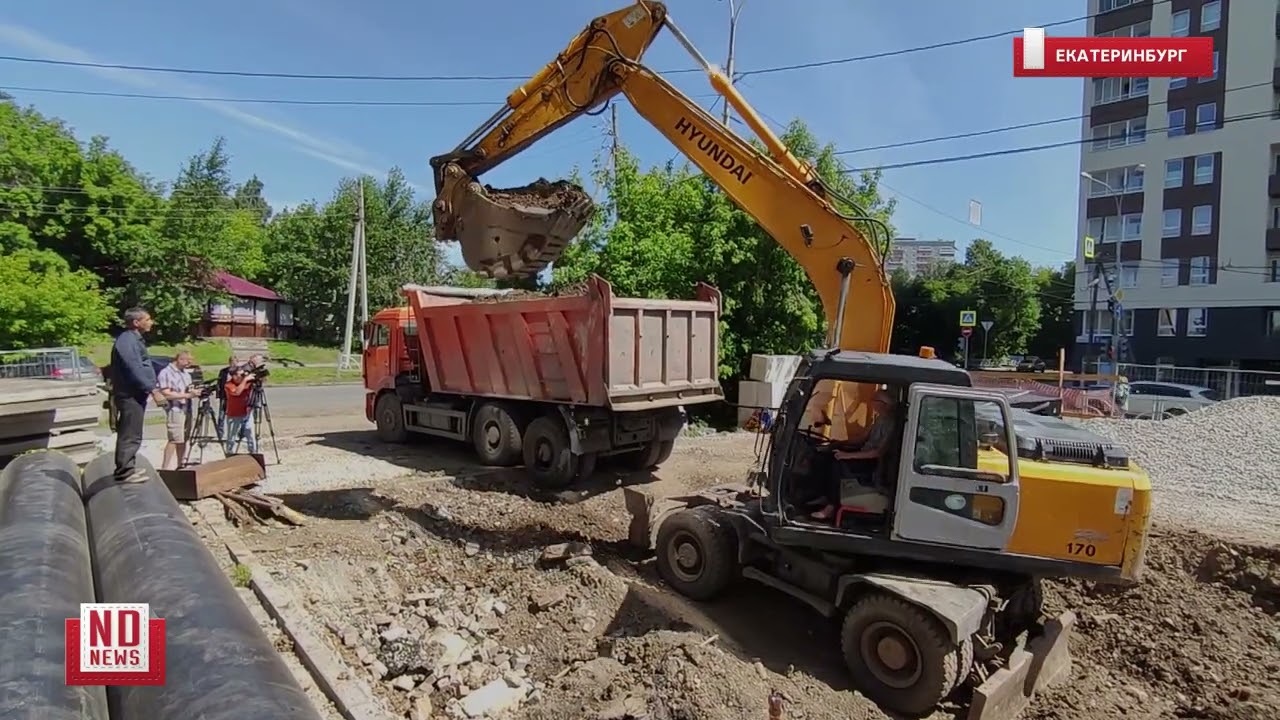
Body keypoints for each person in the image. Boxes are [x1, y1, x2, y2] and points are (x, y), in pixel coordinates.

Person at [810, 389, 900, 521]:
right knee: (826, 456)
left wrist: (847, 455)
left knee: (838, 464)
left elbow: (878, 452)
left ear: (883, 403)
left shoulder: (892, 424)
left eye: (874, 401)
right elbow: (862, 438)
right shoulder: (879, 418)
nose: (871, 404)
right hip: (862, 454)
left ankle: (831, 507)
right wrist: (839, 443)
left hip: (871, 461)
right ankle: (823, 495)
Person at [109, 307, 158, 484]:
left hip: (135, 394)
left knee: (133, 431)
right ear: (137, 322)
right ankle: (124, 472)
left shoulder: (133, 340)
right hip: (129, 394)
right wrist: (152, 389)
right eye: (148, 319)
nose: (151, 322)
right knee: (130, 433)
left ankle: (129, 466)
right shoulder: (126, 341)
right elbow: (134, 368)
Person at [157, 350, 198, 470]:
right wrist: (186, 396)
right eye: (188, 361)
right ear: (180, 359)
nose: (189, 364)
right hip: (175, 409)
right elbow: (166, 394)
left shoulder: (185, 373)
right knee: (174, 439)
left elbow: (188, 389)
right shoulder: (166, 373)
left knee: (184, 438)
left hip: (187, 409)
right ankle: (165, 468)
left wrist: (194, 392)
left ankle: (180, 466)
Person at [223, 365, 259, 455]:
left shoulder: (246, 382)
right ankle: (230, 453)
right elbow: (237, 392)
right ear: (234, 376)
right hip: (234, 414)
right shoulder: (228, 385)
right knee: (232, 436)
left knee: (250, 433)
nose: (243, 376)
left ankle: (253, 452)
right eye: (240, 375)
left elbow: (262, 382)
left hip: (246, 413)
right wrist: (245, 380)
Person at [215, 355, 240, 438]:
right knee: (221, 415)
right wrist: (218, 395)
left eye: (234, 362)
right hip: (224, 396)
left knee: (236, 415)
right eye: (231, 362)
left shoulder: (239, 372)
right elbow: (219, 383)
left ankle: (236, 432)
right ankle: (220, 433)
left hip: (235, 396)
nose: (233, 364)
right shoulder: (223, 371)